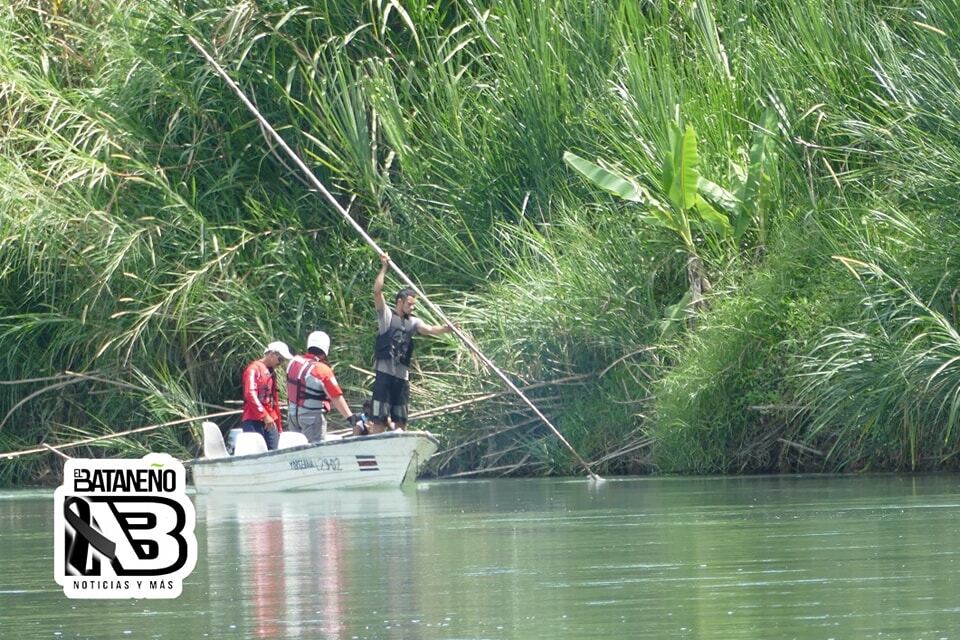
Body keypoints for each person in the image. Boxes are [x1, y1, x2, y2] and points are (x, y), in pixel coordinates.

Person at [369, 253, 453, 434]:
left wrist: (446, 329)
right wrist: (384, 268)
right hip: (384, 375)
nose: (413, 307)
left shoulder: (413, 322)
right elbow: (377, 292)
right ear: (400, 302)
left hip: (401, 378)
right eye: (410, 304)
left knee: (401, 420)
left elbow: (430, 329)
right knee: (379, 421)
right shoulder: (386, 317)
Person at [286, 330, 365, 441]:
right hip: (311, 419)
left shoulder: (293, 362)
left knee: (297, 448)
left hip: (292, 416)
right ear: (325, 350)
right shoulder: (322, 370)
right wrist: (350, 417)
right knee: (315, 452)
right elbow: (336, 397)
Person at [242, 340, 293, 450]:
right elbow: (250, 394)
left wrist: (278, 426)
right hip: (253, 418)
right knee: (257, 453)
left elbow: (274, 400)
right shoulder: (253, 369)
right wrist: (264, 416)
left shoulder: (271, 373)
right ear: (271, 354)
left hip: (270, 418)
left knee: (275, 450)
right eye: (280, 359)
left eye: (283, 360)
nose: (280, 363)